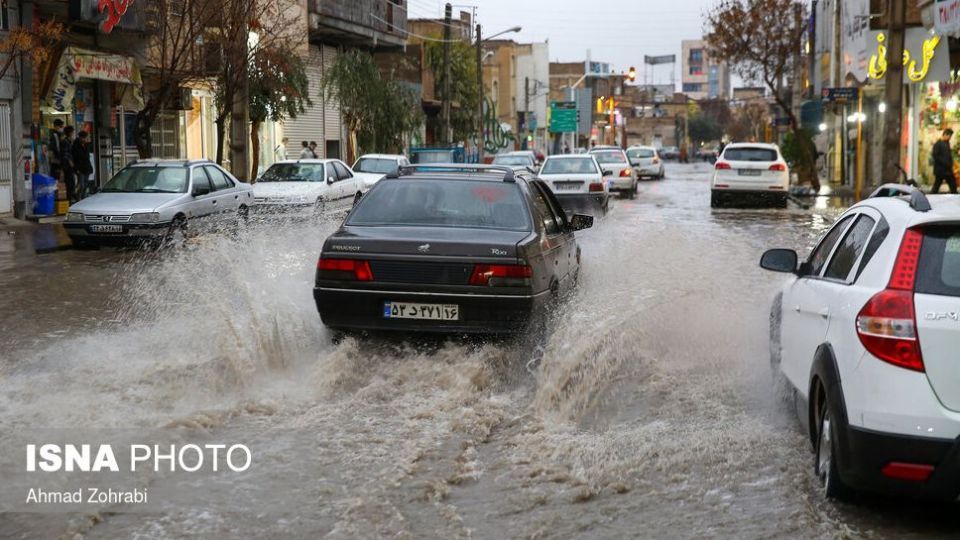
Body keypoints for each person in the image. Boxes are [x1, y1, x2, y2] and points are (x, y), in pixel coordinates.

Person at [932, 128, 958, 194]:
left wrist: (951, 163)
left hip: (947, 170)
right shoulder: (938, 144)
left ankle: (955, 197)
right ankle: (930, 197)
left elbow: (948, 155)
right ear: (945, 135)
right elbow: (936, 156)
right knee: (937, 185)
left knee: (953, 185)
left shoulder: (947, 143)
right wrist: (945, 163)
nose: (950, 138)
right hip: (940, 170)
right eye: (949, 136)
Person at [73, 131, 95, 199]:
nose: (86, 139)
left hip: (86, 167)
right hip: (80, 168)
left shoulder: (86, 145)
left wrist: (90, 167)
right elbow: (75, 158)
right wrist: (76, 169)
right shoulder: (75, 146)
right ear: (81, 138)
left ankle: (83, 198)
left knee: (85, 185)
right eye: (85, 138)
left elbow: (87, 157)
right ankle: (77, 196)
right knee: (81, 185)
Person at [61, 125, 77, 203]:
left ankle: (71, 198)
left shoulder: (70, 141)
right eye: (72, 132)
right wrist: (70, 162)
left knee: (72, 182)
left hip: (70, 165)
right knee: (69, 183)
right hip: (67, 166)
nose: (73, 133)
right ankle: (69, 199)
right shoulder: (65, 142)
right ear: (70, 133)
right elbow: (65, 154)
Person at [48, 119, 64, 183]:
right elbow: (54, 148)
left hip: (57, 160)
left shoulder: (58, 135)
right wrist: (56, 159)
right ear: (56, 126)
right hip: (55, 161)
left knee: (57, 178)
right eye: (61, 126)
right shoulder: (54, 135)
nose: (61, 128)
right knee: (55, 178)